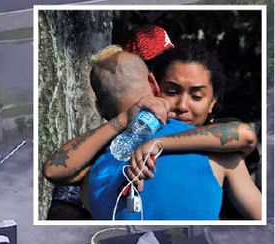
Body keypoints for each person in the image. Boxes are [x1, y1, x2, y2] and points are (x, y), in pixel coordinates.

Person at [43, 43, 259, 220]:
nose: (182, 106)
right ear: (155, 85)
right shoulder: (223, 155)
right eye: (173, 91)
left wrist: (156, 142)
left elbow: (55, 170)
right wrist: (129, 119)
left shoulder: (94, 168)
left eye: (196, 96)